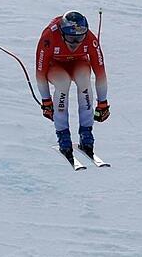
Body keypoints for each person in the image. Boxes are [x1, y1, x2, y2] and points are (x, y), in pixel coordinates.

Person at [35, 10, 110, 158]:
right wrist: (46, 101)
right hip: (55, 65)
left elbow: (100, 73)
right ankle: (63, 134)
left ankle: (86, 132)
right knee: (63, 83)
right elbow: (40, 73)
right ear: (62, 34)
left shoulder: (90, 39)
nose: (75, 43)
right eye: (70, 38)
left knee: (84, 81)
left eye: (80, 38)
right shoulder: (49, 37)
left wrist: (103, 102)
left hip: (78, 62)